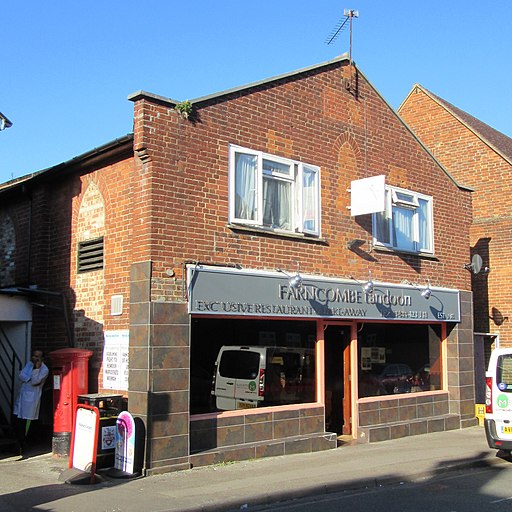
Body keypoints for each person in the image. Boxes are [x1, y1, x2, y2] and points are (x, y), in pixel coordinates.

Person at [13, 349, 49, 453]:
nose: (35, 359)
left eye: (38, 357)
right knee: (17, 420)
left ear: (42, 359)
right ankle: (19, 442)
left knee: (27, 421)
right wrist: (28, 377)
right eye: (34, 356)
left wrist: (36, 369)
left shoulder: (44, 369)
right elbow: (21, 375)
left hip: (31, 399)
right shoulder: (29, 364)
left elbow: (35, 381)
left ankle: (24, 443)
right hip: (22, 396)